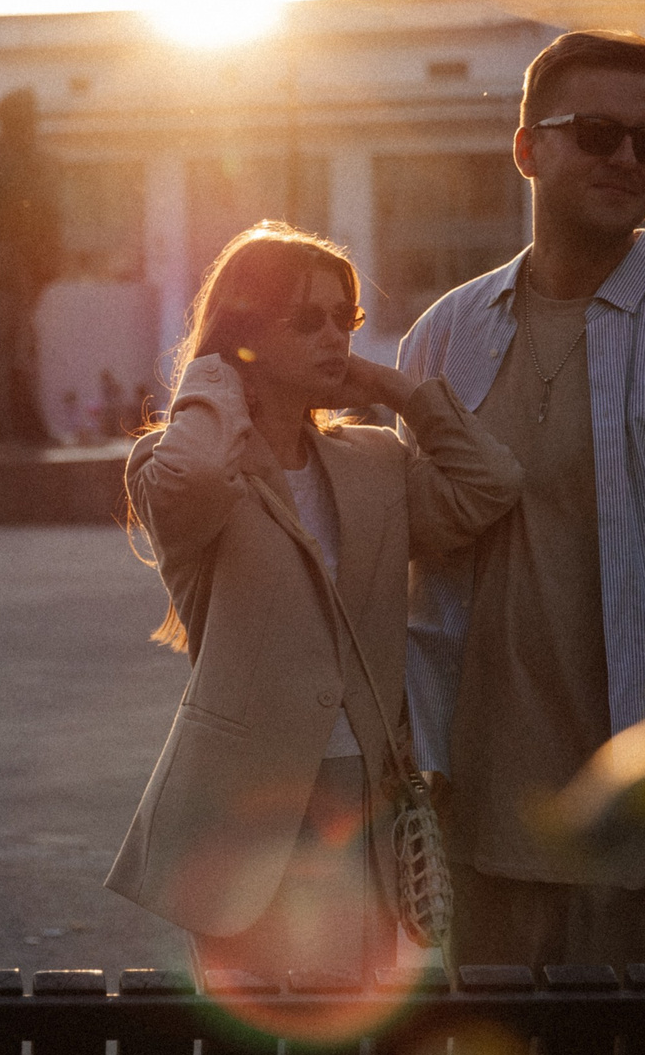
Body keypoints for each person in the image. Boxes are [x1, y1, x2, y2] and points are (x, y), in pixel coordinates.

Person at [400, 29, 645, 968]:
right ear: (528, 147)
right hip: (477, 829)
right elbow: (415, 583)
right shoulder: (443, 339)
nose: (628, 159)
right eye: (599, 133)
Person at [111, 224, 522, 981]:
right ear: (245, 334)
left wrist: (394, 388)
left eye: (346, 318)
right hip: (239, 810)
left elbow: (487, 486)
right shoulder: (177, 465)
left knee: (347, 1050)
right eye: (307, 319)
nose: (335, 336)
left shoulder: (374, 461)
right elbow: (196, 478)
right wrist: (214, 374)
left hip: (360, 802)